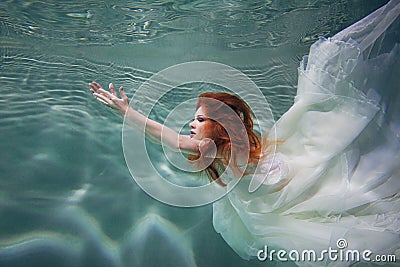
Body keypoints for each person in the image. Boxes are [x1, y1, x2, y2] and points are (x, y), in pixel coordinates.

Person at [90, 0, 400, 265]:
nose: (191, 125)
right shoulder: (210, 151)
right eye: (193, 120)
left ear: (220, 126)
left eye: (199, 119)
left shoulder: (240, 143)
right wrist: (127, 112)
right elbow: (166, 135)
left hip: (293, 178)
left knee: (347, 148)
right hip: (276, 201)